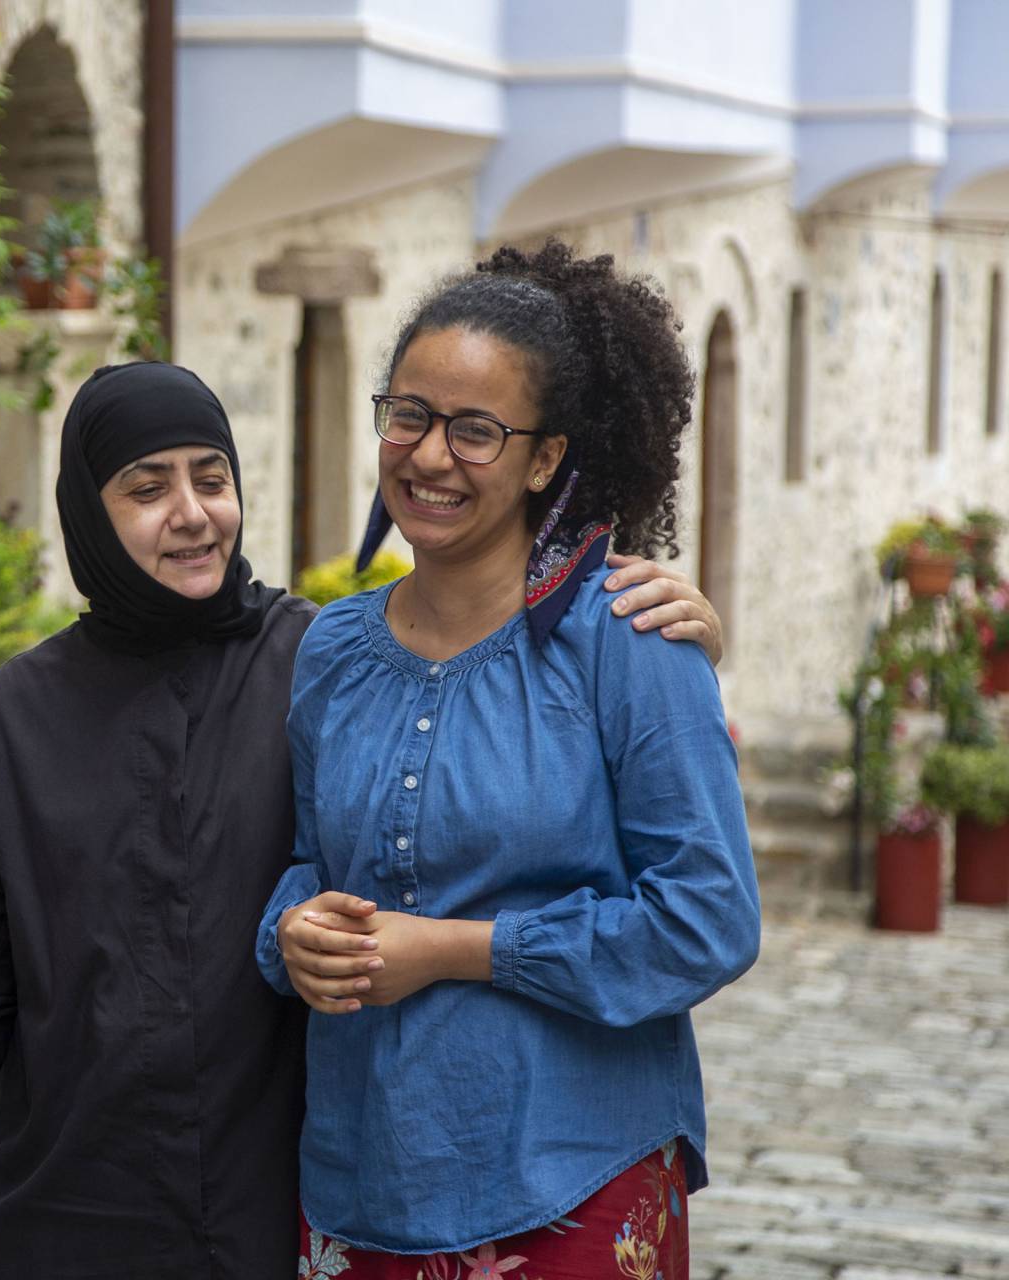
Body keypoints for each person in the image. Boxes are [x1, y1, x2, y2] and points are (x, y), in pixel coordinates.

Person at [0, 360, 728, 1278]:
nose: (192, 512)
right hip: (71, 1212)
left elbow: (499, 720)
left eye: (211, 480)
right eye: (147, 488)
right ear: (87, 511)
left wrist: (661, 648)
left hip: (285, 1208)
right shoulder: (6, 724)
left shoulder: (328, 663)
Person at [262, 242, 762, 1279]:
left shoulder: (630, 641)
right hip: (360, 1181)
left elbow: (708, 919)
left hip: (573, 1177)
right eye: (409, 414)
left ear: (546, 460)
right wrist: (291, 929)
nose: (431, 454)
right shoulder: (332, 650)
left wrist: (457, 948)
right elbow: (310, 860)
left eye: (476, 429)